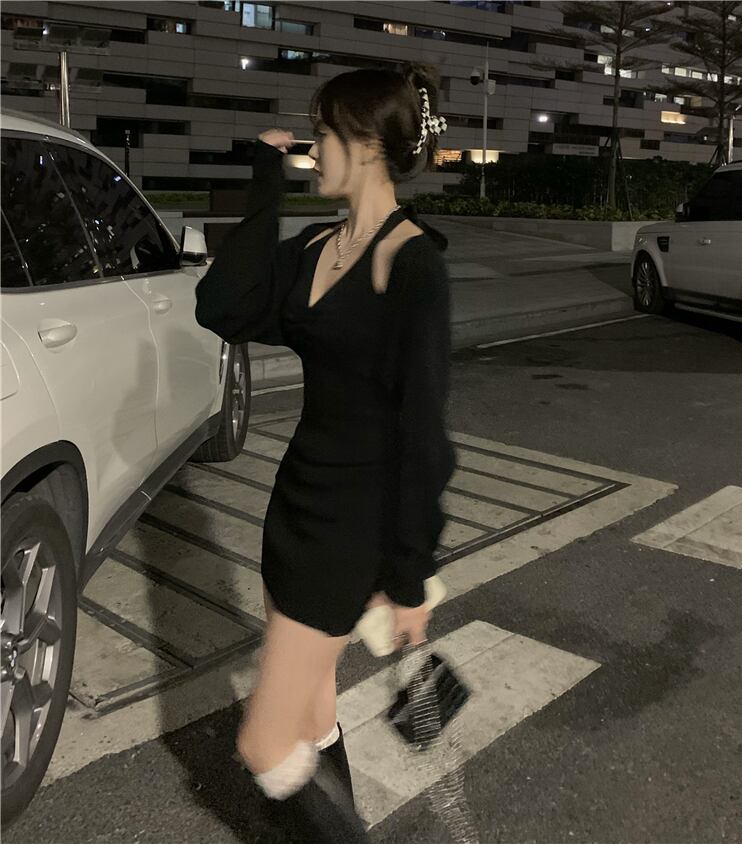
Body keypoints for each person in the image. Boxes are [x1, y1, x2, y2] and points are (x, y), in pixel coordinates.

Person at [195, 62, 455, 842]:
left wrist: (408, 576)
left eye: (320, 135)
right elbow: (223, 306)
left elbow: (423, 433)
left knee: (264, 744)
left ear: (365, 143)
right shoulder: (316, 246)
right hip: (295, 512)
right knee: (312, 715)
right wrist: (264, 181)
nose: (312, 151)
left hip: (350, 531)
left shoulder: (412, 264)